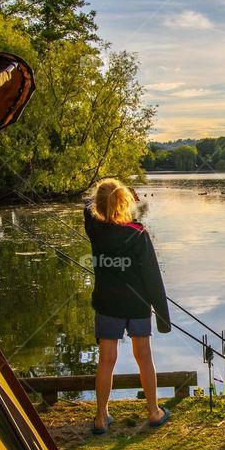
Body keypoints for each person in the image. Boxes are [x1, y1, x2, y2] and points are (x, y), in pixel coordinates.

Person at [84, 178, 171, 433]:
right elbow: (152, 278)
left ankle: (101, 418)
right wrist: (163, 318)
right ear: (126, 203)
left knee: (106, 360)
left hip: (108, 304)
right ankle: (154, 411)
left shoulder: (95, 230)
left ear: (98, 206)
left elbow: (87, 206)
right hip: (137, 304)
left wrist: (107, 196)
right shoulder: (138, 234)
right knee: (144, 356)